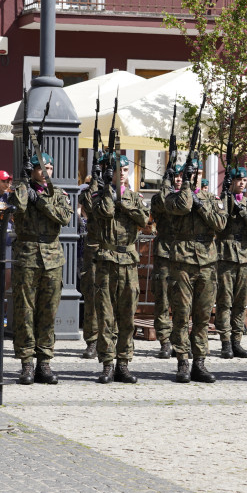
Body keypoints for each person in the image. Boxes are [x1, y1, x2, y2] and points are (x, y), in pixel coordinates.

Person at [10, 152, 73, 385]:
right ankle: (26, 363)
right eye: (42, 168)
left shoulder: (58, 193)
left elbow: (64, 217)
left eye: (50, 167)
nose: (47, 172)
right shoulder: (23, 189)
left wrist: (41, 200)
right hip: (26, 256)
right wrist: (24, 184)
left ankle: (44, 362)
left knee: (48, 312)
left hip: (53, 258)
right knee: (25, 311)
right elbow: (17, 206)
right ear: (33, 170)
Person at [163, 156, 226, 383]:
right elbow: (184, 206)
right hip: (182, 262)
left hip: (207, 263)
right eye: (187, 174)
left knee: (202, 315)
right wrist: (187, 187)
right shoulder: (173, 197)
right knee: (181, 314)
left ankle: (199, 361)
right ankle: (182, 360)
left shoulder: (211, 198)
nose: (191, 177)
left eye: (195, 174)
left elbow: (220, 224)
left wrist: (202, 205)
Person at [90, 154, 150, 384]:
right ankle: (107, 363)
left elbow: (144, 219)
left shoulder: (135, 197)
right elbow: (102, 212)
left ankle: (123, 363)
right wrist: (107, 189)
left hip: (128, 261)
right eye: (118, 170)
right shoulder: (100, 195)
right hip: (106, 259)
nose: (122, 173)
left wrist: (123, 201)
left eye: (125, 170)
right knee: (105, 315)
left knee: (127, 315)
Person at [216, 166, 247, 359]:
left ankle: (237, 340)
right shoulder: (222, 201)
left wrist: (244, 211)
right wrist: (226, 203)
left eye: (244, 180)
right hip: (226, 255)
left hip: (245, 256)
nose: (241, 183)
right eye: (238, 179)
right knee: (224, 301)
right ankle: (225, 342)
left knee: (240, 302)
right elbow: (218, 223)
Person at [148, 165, 177, 359]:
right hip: (165, 254)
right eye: (176, 177)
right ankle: (165, 341)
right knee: (163, 300)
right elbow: (161, 204)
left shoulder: (189, 198)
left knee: (184, 303)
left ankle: (181, 341)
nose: (179, 180)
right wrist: (166, 184)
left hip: (185, 256)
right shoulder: (160, 198)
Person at [77, 174, 100, 359]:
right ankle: (92, 341)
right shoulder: (89, 193)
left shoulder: (120, 193)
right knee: (91, 299)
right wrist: (94, 184)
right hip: (93, 251)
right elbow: (88, 206)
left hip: (113, 252)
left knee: (113, 299)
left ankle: (110, 339)